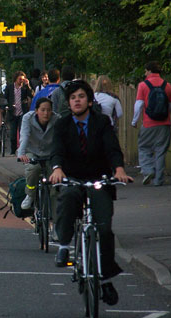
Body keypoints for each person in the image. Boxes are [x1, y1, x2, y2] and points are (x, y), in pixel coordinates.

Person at [49, 80, 133, 306]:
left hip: (99, 180)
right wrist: (57, 169)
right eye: (73, 97)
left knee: (104, 229)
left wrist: (119, 169)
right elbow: (56, 150)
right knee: (66, 197)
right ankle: (65, 246)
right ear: (68, 102)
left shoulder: (102, 122)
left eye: (81, 96)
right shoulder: (62, 124)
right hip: (73, 179)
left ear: (89, 100)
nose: (77, 100)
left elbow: (112, 148)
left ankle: (105, 280)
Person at [131, 61, 171, 186]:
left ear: (149, 71)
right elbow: (170, 105)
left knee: (144, 147)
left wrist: (134, 121)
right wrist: (166, 116)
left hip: (149, 123)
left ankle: (148, 170)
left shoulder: (143, 85)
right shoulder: (168, 85)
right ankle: (158, 180)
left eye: (145, 71)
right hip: (164, 124)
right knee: (161, 151)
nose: (145, 73)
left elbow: (139, 105)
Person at [18, 97, 60, 212]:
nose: (46, 113)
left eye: (48, 110)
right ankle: (30, 194)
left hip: (50, 153)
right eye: (42, 110)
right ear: (36, 110)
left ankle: (55, 210)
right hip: (32, 152)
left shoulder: (57, 119)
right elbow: (25, 136)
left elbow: (61, 140)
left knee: (55, 178)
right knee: (33, 169)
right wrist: (21, 153)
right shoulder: (27, 118)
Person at [4, 71, 33, 155]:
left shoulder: (24, 88)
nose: (21, 81)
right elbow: (5, 97)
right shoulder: (9, 87)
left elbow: (31, 95)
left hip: (22, 112)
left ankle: (21, 150)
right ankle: (13, 150)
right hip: (12, 112)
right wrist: (7, 105)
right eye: (20, 79)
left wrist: (28, 85)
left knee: (22, 132)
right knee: (12, 133)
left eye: (22, 80)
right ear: (16, 78)